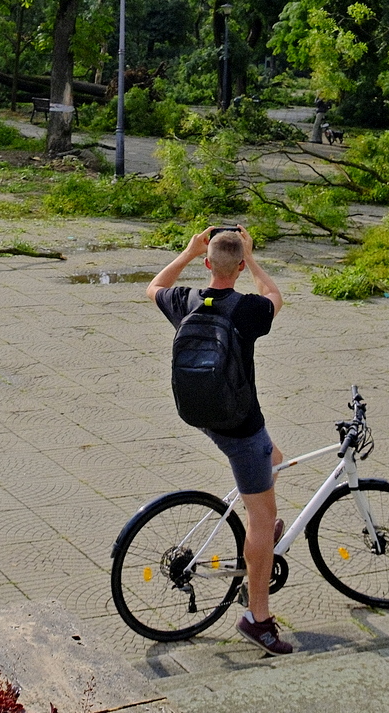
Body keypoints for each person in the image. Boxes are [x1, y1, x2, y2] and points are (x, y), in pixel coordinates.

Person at [147, 226, 290, 654]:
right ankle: (257, 618)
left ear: (208, 264)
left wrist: (187, 252)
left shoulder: (187, 300)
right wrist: (254, 257)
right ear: (240, 267)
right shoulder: (247, 308)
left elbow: (154, 286)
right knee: (262, 519)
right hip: (240, 425)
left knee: (276, 457)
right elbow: (276, 295)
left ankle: (259, 540)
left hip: (201, 415)